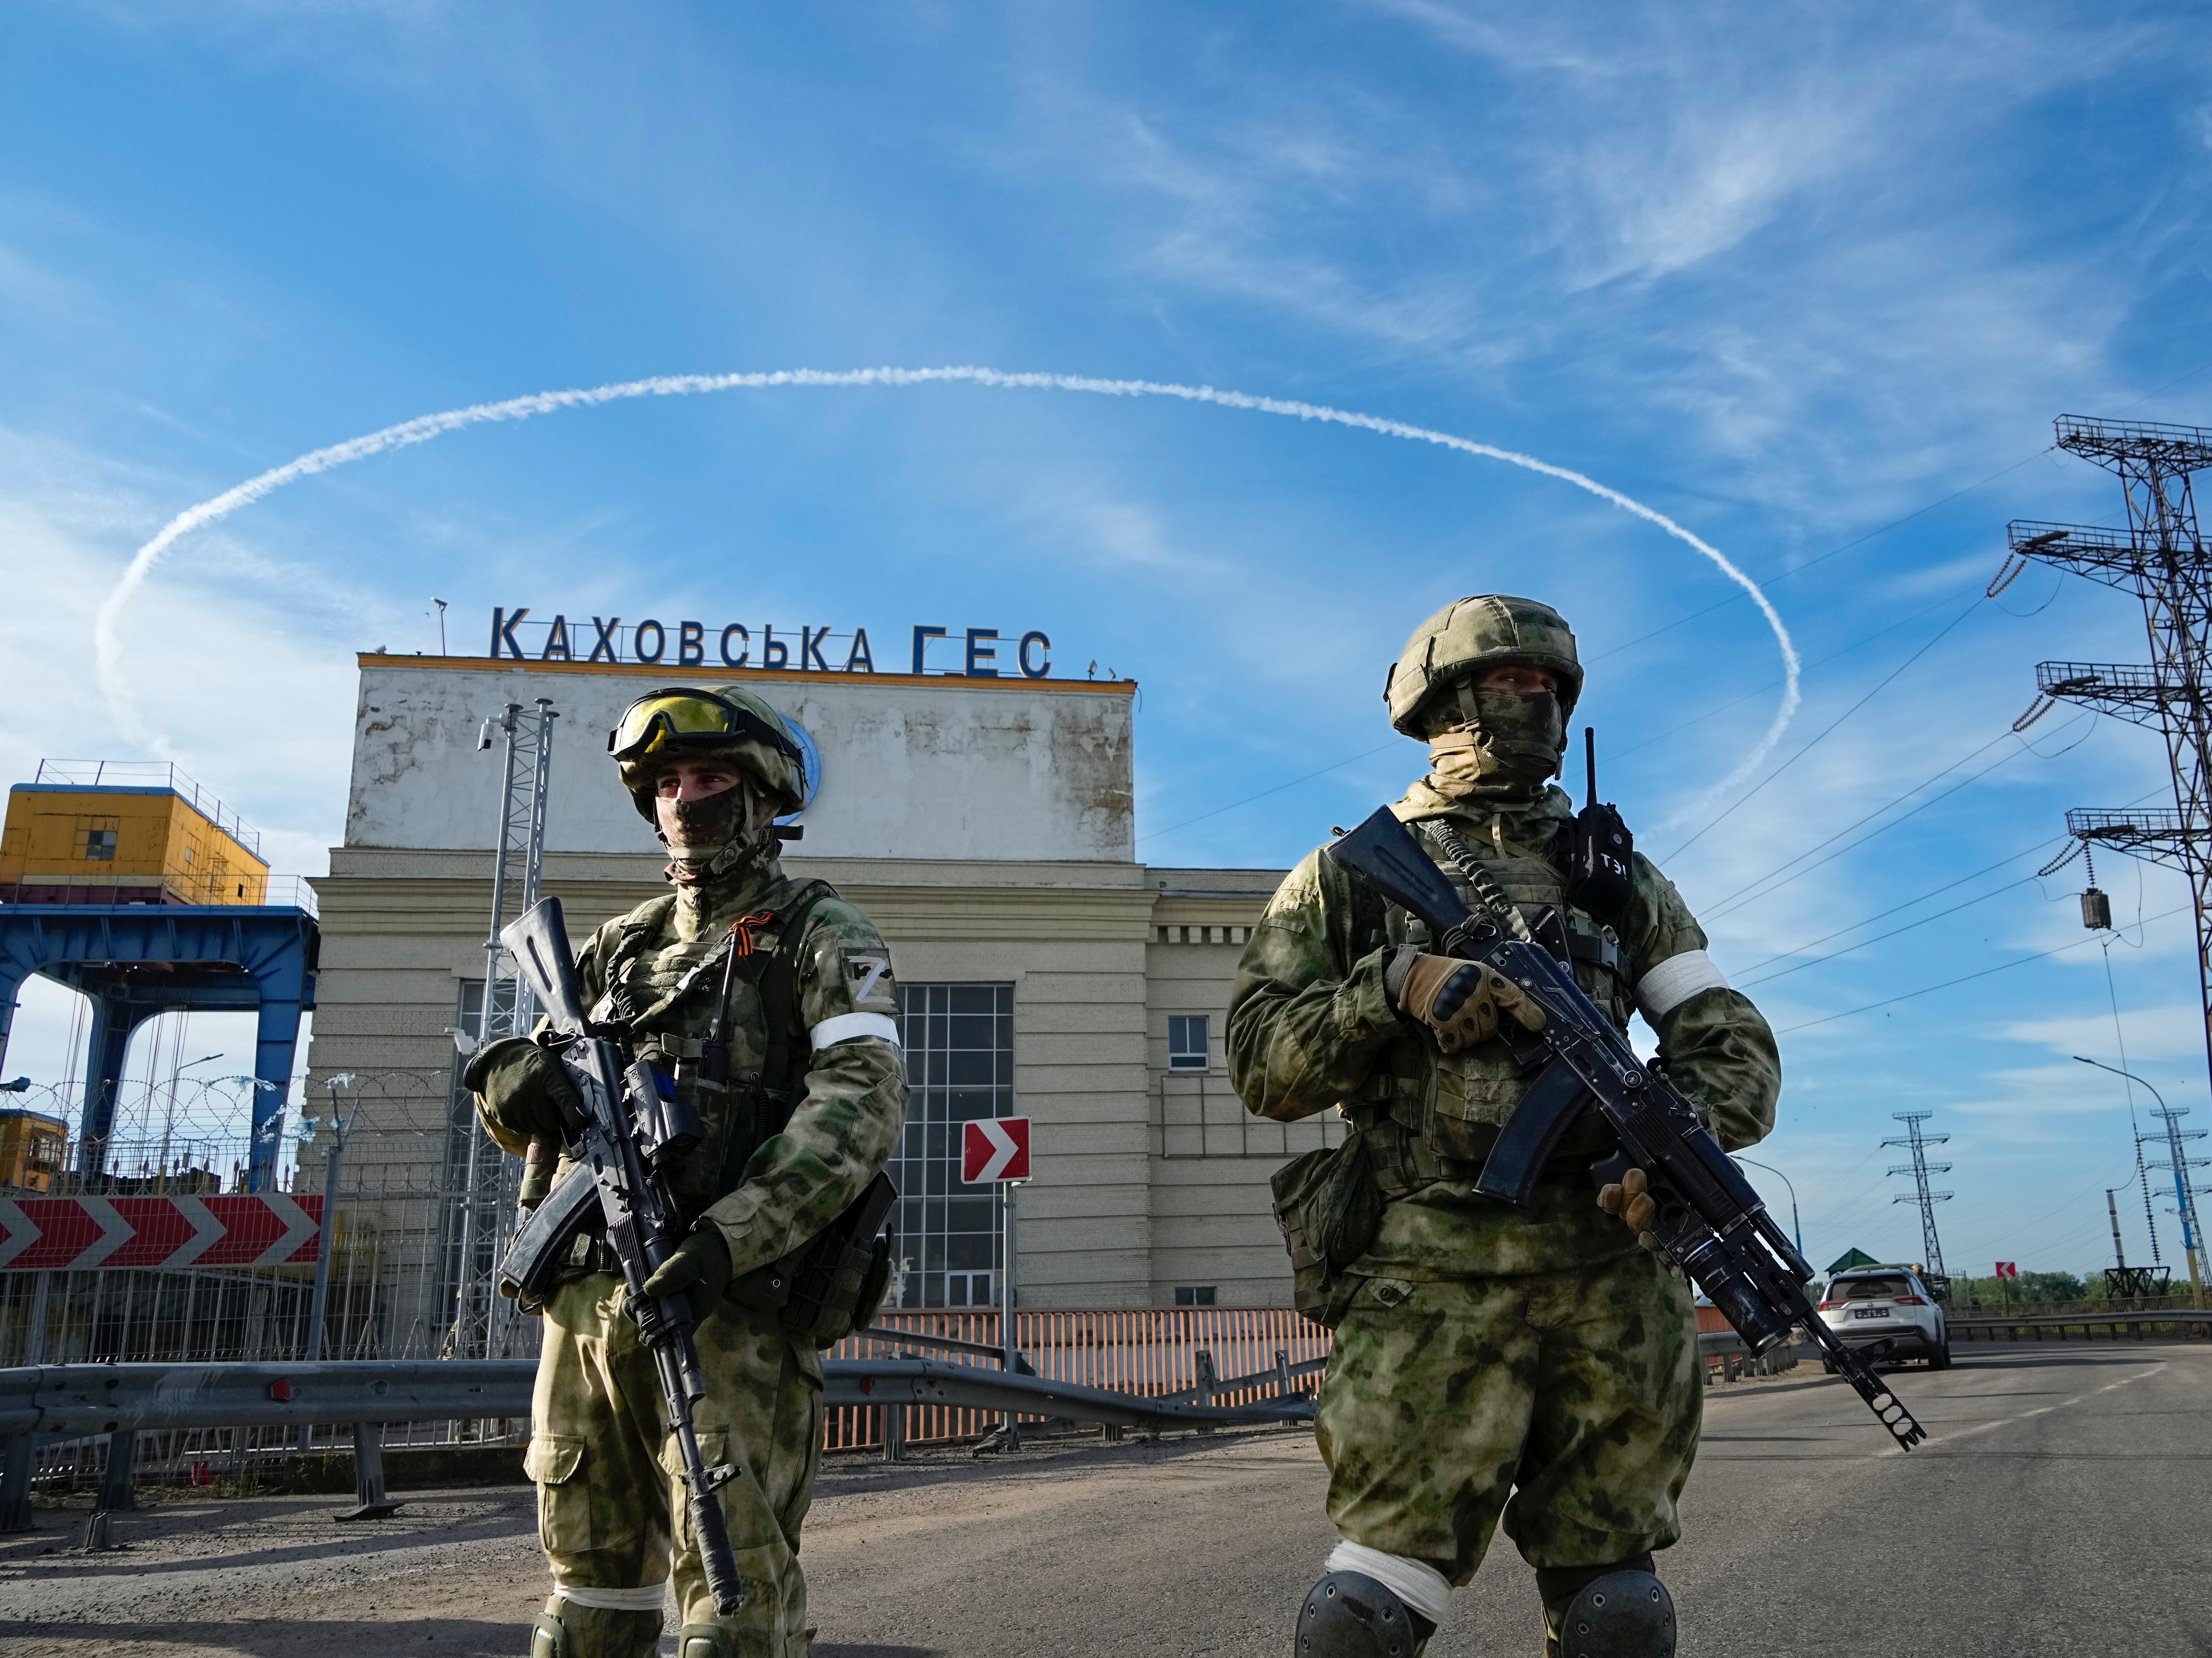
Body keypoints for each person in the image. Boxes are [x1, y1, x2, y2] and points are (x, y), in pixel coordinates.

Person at [1228, 595, 1781, 1658]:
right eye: (1509, 682)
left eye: (1549, 687)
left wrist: (1674, 1143)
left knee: (1619, 1610)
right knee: (1365, 1615)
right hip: (1430, 1274)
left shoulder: (1615, 878)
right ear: (1444, 702)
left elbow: (1728, 1038)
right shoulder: (1347, 874)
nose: (1534, 702)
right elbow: (1259, 1060)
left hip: (1606, 1274)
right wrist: (1386, 988)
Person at [466, 685, 906, 1658]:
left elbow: (858, 1106)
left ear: (760, 797)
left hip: (728, 1309)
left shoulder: (821, 935)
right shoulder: (616, 947)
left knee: (732, 1610)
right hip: (586, 1307)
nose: (684, 798)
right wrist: (510, 1082)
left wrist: (728, 1236)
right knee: (586, 1608)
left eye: (707, 777)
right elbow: (527, 1109)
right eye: (665, 781)